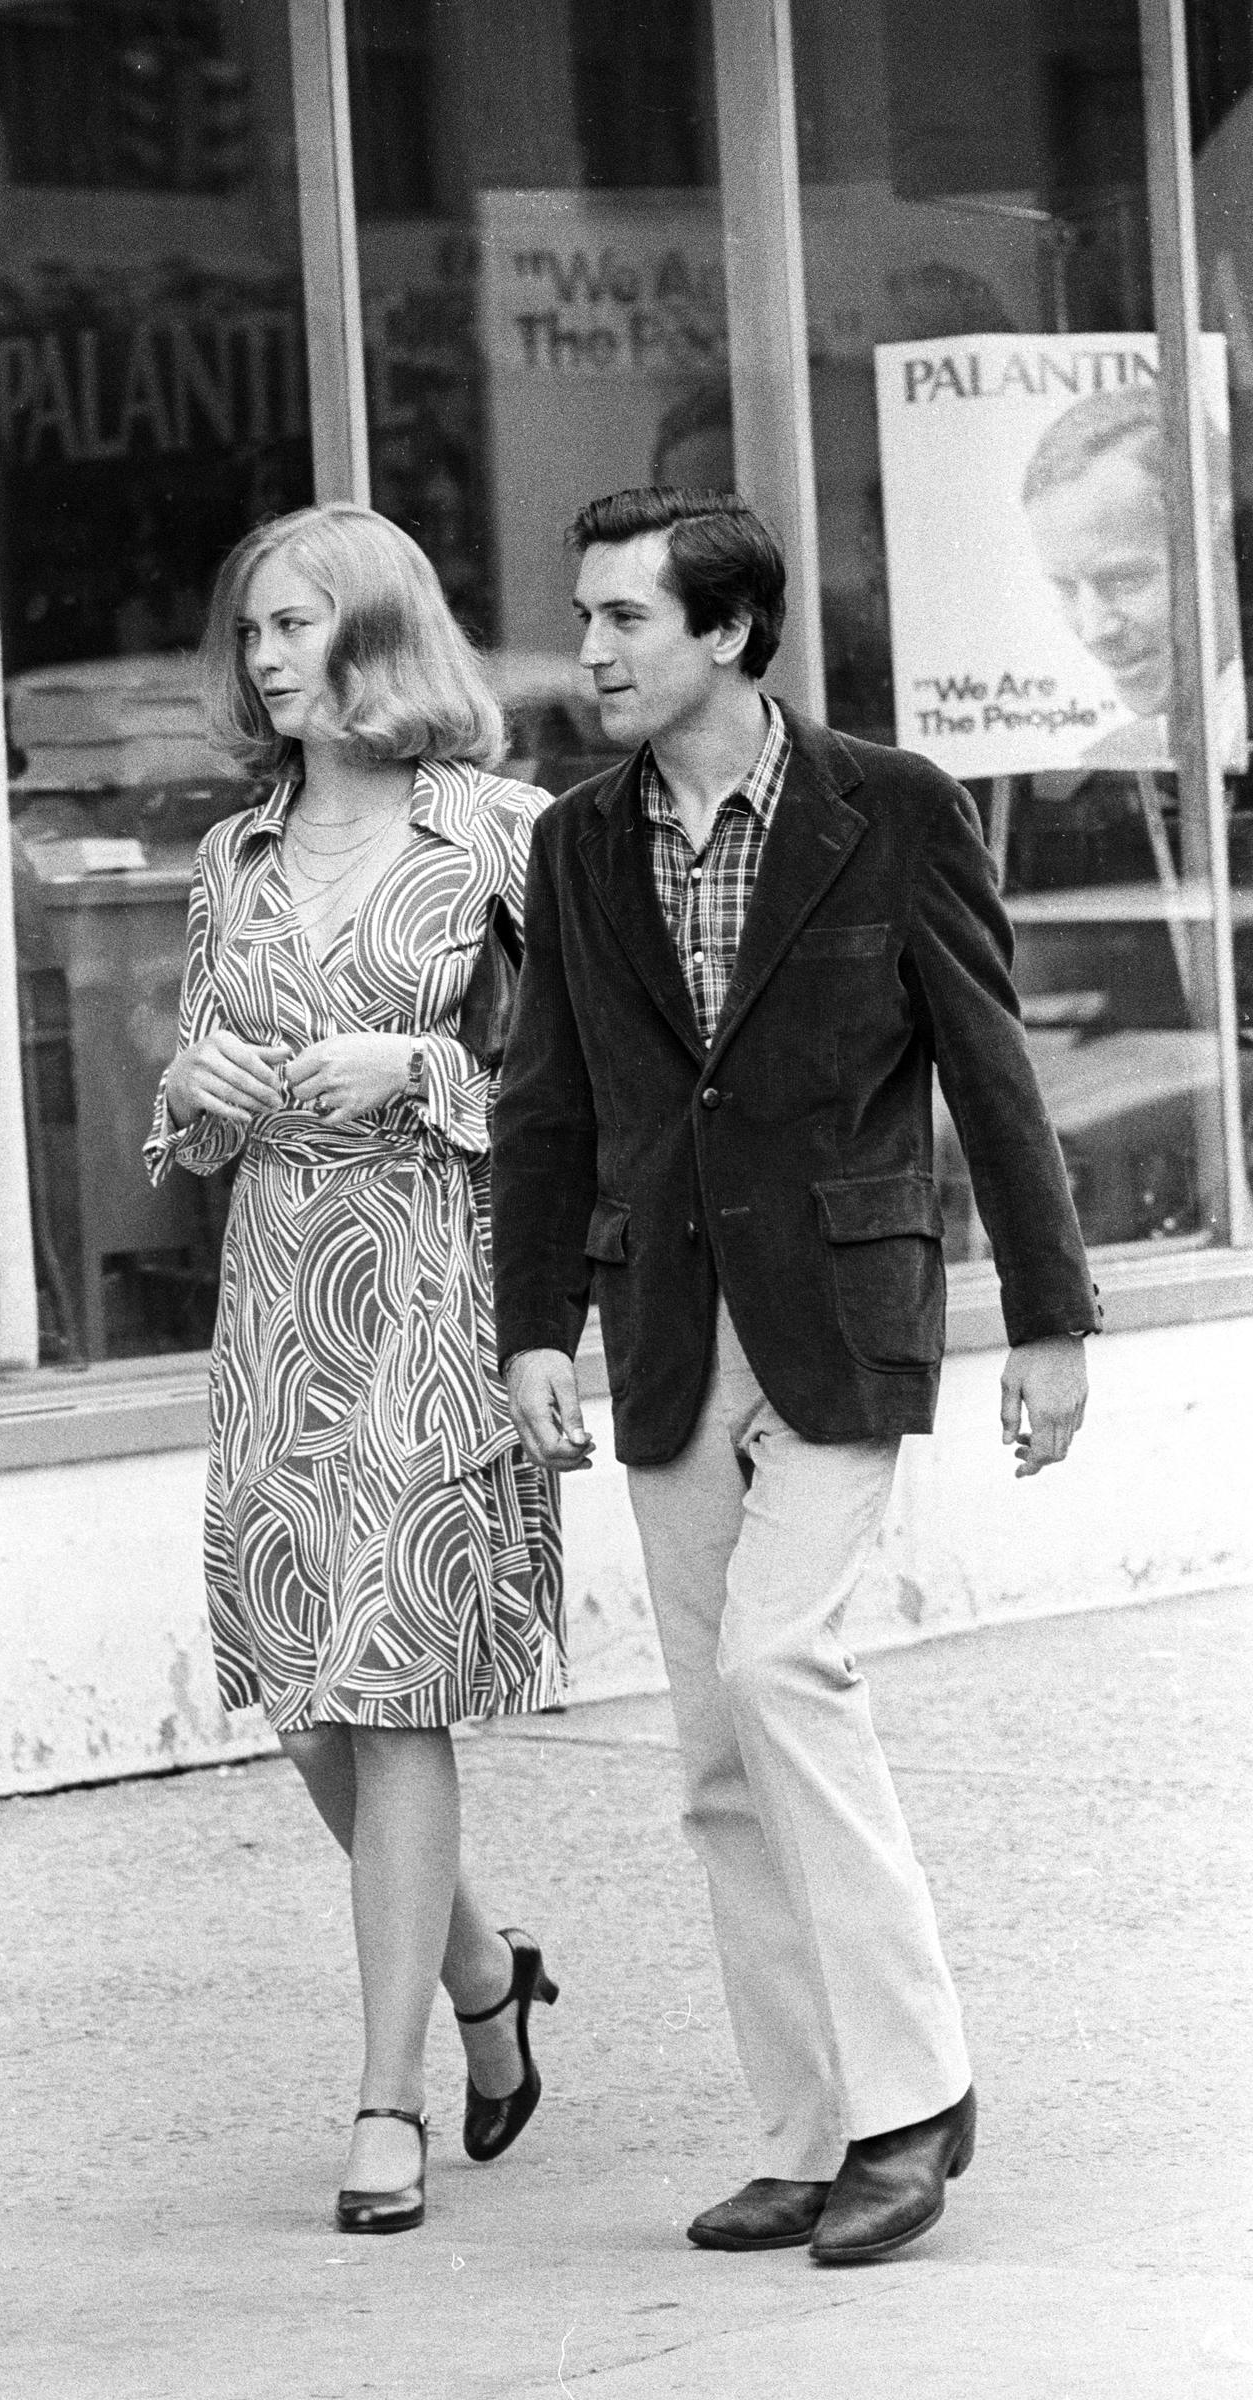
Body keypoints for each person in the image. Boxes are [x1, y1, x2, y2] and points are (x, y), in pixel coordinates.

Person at [491, 486, 1099, 2266]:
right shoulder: (580, 842)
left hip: (844, 1313)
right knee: (711, 1752)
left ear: (733, 635)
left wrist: (1050, 1324)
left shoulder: (889, 810)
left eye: (626, 620)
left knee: (782, 1665)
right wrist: (539, 1324)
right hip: (665, 1325)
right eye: (589, 617)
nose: (592, 650)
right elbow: (549, 1106)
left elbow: (989, 1070)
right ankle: (808, 2126)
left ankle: (911, 2103)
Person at [146, 502, 562, 2237]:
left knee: (391, 1678)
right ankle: (481, 1971)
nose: (265, 657)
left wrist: (422, 1064)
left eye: (296, 623)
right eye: (250, 631)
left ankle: (387, 2099)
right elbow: (184, 1088)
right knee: (305, 1698)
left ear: (377, 629)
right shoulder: (231, 855)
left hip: (437, 1282)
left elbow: (575, 1091)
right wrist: (205, 1094)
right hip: (274, 1303)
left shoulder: (502, 834)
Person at [1021, 383, 1247, 771]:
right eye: (1066, 588)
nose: (1095, 630)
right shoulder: (1113, 761)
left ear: (1221, 544)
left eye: (1124, 580)